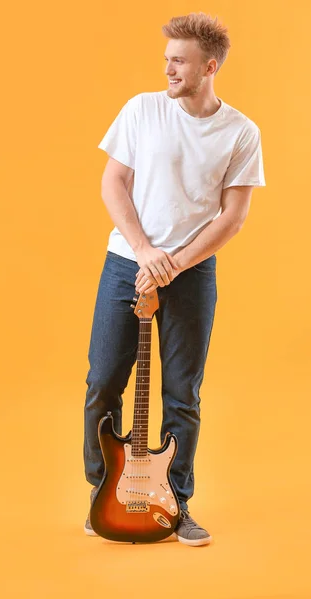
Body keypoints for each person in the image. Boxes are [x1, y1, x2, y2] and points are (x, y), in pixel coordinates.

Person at [83, 11, 266, 547]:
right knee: (103, 383)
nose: (167, 69)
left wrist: (175, 263)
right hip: (126, 263)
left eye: (178, 61)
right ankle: (104, 493)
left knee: (181, 392)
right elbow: (113, 182)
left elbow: (232, 217)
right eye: (166, 59)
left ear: (209, 67)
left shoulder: (241, 132)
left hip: (191, 273)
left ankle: (175, 504)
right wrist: (144, 253)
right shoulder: (141, 110)